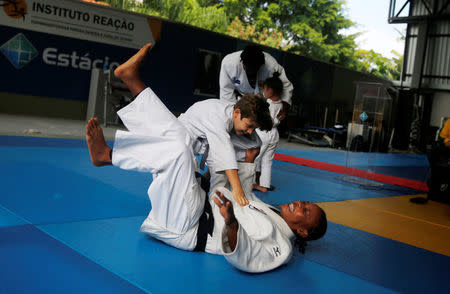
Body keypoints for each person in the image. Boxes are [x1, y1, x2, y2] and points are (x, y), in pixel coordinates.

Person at [85, 44, 327, 273]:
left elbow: (247, 258)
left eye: (305, 212)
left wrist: (232, 223)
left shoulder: (282, 248)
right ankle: (130, 80)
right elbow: (234, 190)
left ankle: (108, 155)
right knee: (177, 136)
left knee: (179, 147)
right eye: (306, 203)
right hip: (195, 203)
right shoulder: (267, 209)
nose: (300, 204)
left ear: (303, 232)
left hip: (187, 226)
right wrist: (247, 163)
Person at [219, 44, 293, 120]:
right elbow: (226, 94)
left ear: (261, 65)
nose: (252, 73)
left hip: (264, 102)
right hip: (241, 99)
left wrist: (284, 109)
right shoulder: (229, 63)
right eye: (249, 69)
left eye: (255, 69)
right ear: (242, 62)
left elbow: (285, 85)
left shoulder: (271, 65)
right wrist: (233, 116)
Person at [253, 72, 284, 192]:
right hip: (274, 135)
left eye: (265, 89)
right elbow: (275, 120)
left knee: (255, 157)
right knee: (267, 160)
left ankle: (252, 183)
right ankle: (265, 184)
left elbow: (267, 121)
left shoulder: (267, 104)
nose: (264, 92)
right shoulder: (280, 104)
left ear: (270, 90)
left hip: (263, 133)